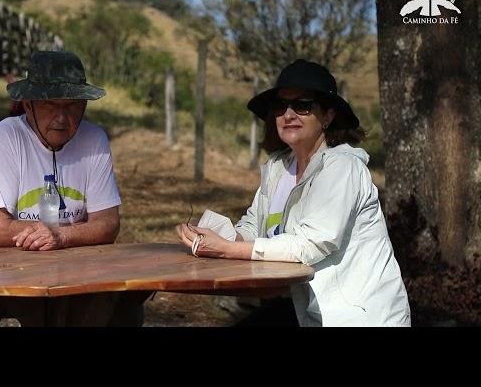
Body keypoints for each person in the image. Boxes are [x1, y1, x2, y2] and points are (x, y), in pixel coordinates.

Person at [176, 59, 411, 327]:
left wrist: (228, 249)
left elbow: (312, 243)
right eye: (280, 106)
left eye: (303, 105)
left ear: (328, 115)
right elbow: (254, 226)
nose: (288, 114)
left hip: (356, 316)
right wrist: (215, 237)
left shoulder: (342, 167)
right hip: (306, 310)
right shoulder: (278, 169)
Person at [0, 50, 145, 327]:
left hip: (64, 262)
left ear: (85, 105)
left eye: (72, 106)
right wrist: (47, 236)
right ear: (28, 105)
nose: (61, 118)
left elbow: (108, 224)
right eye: (50, 106)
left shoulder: (94, 140)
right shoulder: (5, 136)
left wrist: (60, 237)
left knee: (123, 304)